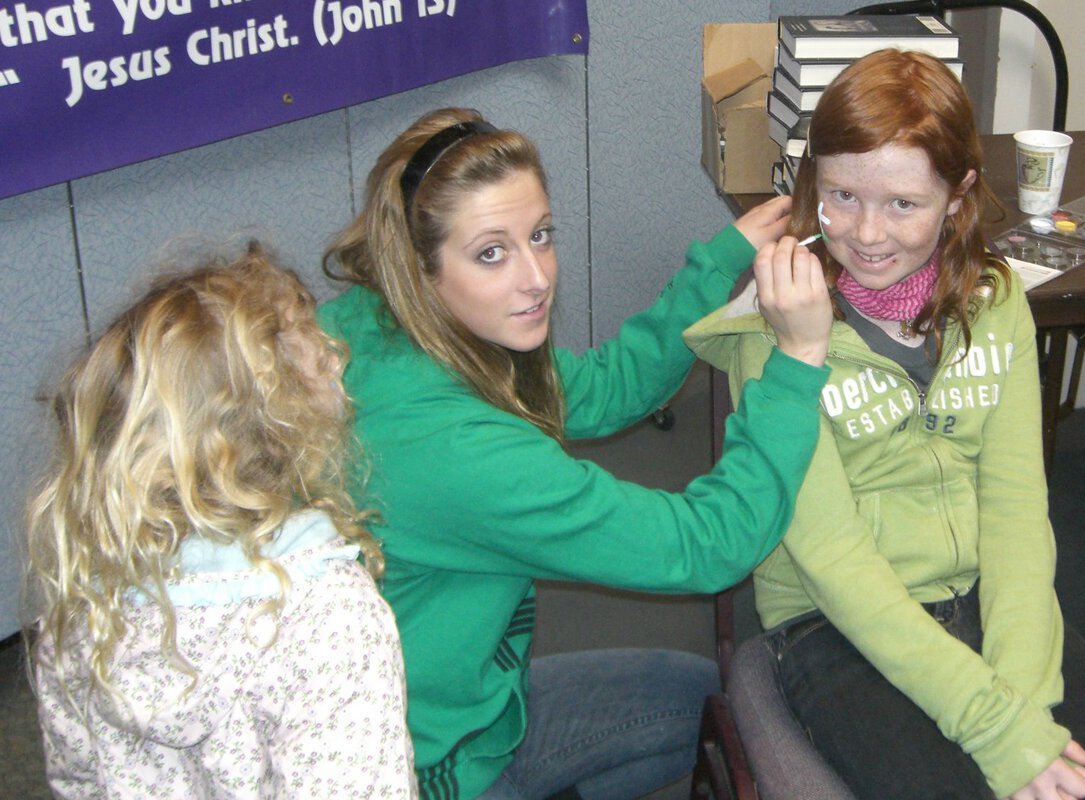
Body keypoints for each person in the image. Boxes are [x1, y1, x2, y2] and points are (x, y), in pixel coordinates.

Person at [318, 106, 833, 800]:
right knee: (734, 711)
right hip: (424, 767)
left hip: (461, 697)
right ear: (418, 267)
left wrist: (722, 259)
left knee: (707, 702)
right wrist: (797, 364)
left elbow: (609, 386)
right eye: (492, 253)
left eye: (540, 235)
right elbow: (707, 545)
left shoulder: (378, 325)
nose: (536, 278)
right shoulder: (463, 454)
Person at [685, 49, 1085, 800]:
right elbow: (832, 558)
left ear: (958, 197)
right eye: (842, 195)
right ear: (813, 184)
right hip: (834, 625)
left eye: (903, 203)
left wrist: (1023, 703)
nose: (867, 233)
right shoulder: (778, 333)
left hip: (982, 593)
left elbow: (1017, 509)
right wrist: (991, 722)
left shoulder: (997, 303)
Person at [26, 245, 417, 798]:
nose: (335, 356)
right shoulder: (327, 614)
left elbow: (78, 782)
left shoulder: (87, 604)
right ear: (283, 422)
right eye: (312, 343)